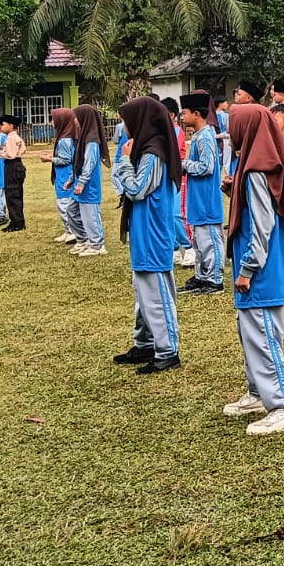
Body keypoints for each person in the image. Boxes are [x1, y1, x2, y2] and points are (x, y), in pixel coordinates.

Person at [220, 102, 284, 436]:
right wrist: (234, 191)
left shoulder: (257, 169)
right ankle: (259, 392)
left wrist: (248, 269)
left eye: (235, 124)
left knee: (263, 333)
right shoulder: (255, 163)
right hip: (265, 261)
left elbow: (262, 225)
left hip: (261, 265)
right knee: (252, 332)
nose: (231, 131)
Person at [110, 96, 183, 375]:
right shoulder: (145, 149)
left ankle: (167, 350)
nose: (122, 126)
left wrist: (125, 163)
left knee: (156, 292)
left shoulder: (154, 152)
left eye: (126, 120)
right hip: (144, 228)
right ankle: (146, 342)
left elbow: (138, 189)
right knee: (143, 291)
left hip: (152, 230)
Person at [179, 92, 226, 295]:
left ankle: (215, 280)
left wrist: (184, 164)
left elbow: (207, 167)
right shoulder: (198, 136)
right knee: (199, 241)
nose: (181, 117)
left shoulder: (206, 136)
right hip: (197, 199)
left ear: (196, 114)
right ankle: (202, 276)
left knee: (211, 241)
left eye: (184, 113)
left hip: (207, 199)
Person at [69, 104, 108, 256]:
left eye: (77, 117)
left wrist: (82, 182)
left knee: (90, 214)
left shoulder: (92, 140)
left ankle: (97, 245)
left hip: (88, 185)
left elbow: (89, 163)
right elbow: (77, 162)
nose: (75, 121)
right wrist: (73, 179)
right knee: (71, 210)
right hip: (80, 182)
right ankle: (84, 239)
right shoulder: (84, 137)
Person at [40, 107, 83, 246]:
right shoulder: (66, 137)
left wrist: (50, 159)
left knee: (64, 204)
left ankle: (72, 231)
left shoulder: (64, 140)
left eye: (53, 118)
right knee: (63, 204)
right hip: (63, 175)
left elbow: (66, 159)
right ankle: (68, 230)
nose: (51, 121)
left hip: (65, 175)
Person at [163, 97, 196, 269]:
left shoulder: (176, 132)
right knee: (167, 214)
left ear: (170, 115)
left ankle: (190, 247)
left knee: (177, 214)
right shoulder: (163, 132)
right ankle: (174, 249)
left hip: (178, 178)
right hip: (166, 180)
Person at [0, 114, 29, 232]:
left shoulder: (10, 138)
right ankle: (18, 221)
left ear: (10, 125)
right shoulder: (16, 137)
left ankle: (16, 222)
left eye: (4, 124)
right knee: (17, 194)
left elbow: (11, 155)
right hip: (18, 165)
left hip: (12, 165)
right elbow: (23, 149)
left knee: (12, 194)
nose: (1, 127)